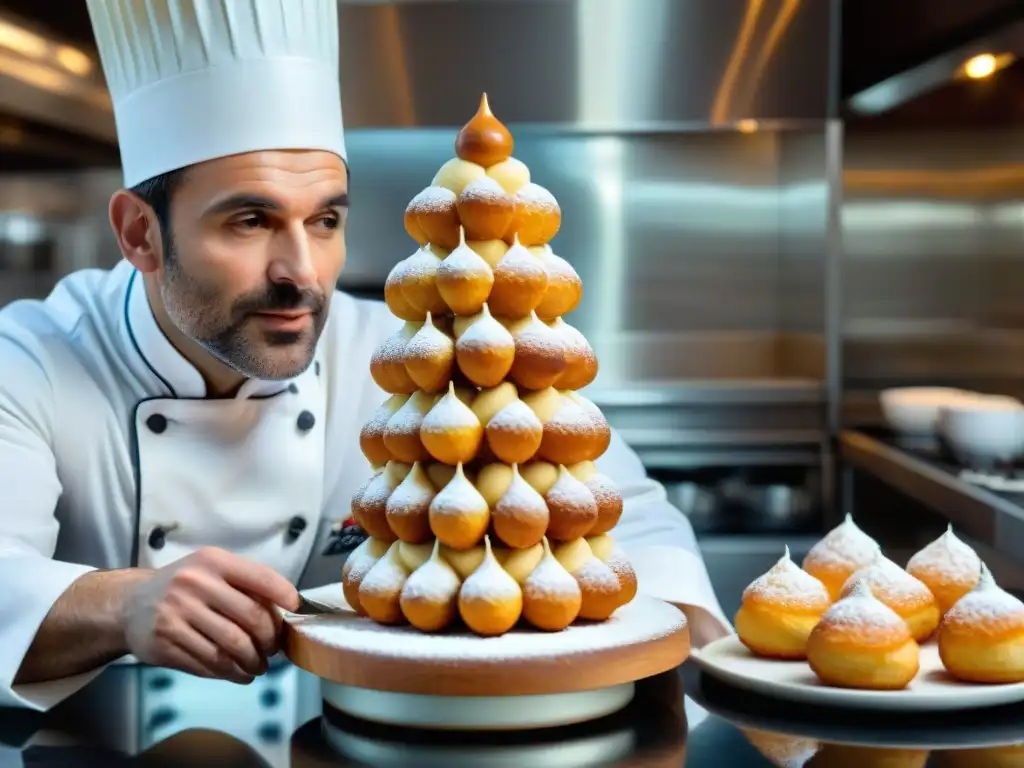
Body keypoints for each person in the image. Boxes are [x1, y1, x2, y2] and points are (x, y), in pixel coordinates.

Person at [0, 0, 729, 711]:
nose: (302, 272)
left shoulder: (417, 361)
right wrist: (118, 605)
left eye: (325, 221)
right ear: (140, 235)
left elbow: (635, 526)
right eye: (249, 221)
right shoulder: (31, 359)